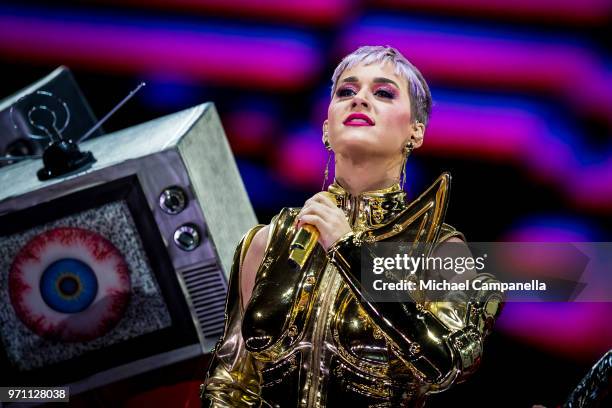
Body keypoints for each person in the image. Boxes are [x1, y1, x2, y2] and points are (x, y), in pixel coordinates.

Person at [200, 45, 503, 407]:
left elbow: (448, 367)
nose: (359, 99)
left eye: (383, 93)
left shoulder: (439, 249)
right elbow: (230, 381)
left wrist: (350, 250)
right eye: (346, 91)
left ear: (415, 132)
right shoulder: (269, 241)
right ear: (326, 128)